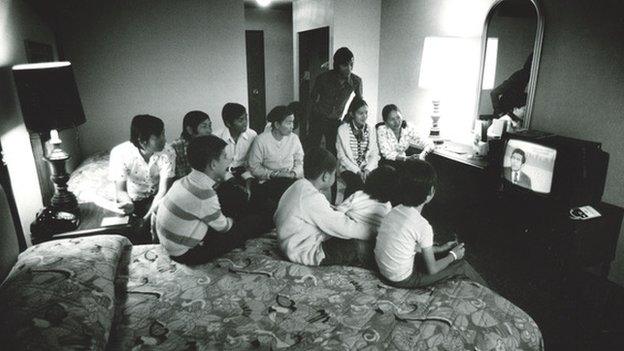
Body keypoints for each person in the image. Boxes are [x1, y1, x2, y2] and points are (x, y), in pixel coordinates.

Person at [154, 135, 271, 265]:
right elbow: (225, 228)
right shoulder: (204, 194)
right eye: (225, 156)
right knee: (250, 224)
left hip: (171, 243)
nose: (229, 159)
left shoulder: (183, 182)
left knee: (228, 197)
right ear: (213, 165)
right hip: (187, 254)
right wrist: (236, 218)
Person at [375, 160, 487, 288]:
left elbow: (411, 246)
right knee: (461, 265)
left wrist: (441, 249)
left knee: (437, 253)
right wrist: (454, 255)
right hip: (401, 280)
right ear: (431, 192)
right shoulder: (423, 226)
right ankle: (496, 297)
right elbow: (432, 270)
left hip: (384, 271)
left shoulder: (393, 210)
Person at [274, 148, 375, 268]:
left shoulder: (298, 185)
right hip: (304, 252)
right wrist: (374, 232)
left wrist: (332, 210)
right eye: (334, 175)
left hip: (288, 243)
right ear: (326, 176)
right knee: (358, 246)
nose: (335, 178)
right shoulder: (312, 197)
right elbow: (343, 226)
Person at [109, 114, 175, 219]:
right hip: (134, 199)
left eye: (163, 133)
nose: (164, 139)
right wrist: (127, 202)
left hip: (159, 198)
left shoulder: (168, 152)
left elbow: (164, 190)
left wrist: (146, 220)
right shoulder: (120, 153)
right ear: (142, 141)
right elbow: (121, 190)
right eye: (158, 136)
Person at [308, 47, 362, 155]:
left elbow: (359, 102)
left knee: (333, 151)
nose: (349, 69)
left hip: (335, 121)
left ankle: (331, 172)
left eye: (351, 64)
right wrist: (312, 117)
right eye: (345, 65)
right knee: (313, 148)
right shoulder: (323, 78)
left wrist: (347, 117)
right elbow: (312, 98)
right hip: (318, 117)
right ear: (337, 65)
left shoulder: (356, 81)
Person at [248, 105, 304, 210]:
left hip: (291, 179)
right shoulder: (261, 140)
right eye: (288, 122)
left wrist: (293, 173)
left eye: (293, 122)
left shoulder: (294, 139)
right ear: (277, 124)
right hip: (269, 181)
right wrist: (274, 174)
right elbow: (254, 167)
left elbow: (299, 161)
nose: (292, 126)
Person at [335, 97, 380, 199]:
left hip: (367, 167)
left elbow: (374, 154)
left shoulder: (371, 129)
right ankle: (347, 208)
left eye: (366, 113)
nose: (364, 116)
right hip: (348, 168)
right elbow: (342, 157)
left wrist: (367, 169)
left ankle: (367, 209)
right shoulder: (343, 130)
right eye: (360, 113)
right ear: (352, 114)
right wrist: (358, 171)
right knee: (356, 183)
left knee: (376, 183)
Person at [335, 165, 395, 235]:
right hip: (369, 238)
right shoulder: (388, 206)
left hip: (348, 232)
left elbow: (339, 211)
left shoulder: (359, 195)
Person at [377, 104, 433, 168]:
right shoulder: (382, 129)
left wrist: (422, 155)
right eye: (392, 119)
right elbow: (387, 154)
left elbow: (429, 143)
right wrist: (407, 158)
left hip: (404, 162)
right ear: (386, 122)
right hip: (387, 164)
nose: (396, 122)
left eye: (398, 117)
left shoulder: (408, 127)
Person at [490, 53, 533, 125]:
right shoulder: (519, 76)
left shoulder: (532, 78)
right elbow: (494, 93)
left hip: (513, 117)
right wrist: (500, 113)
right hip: (503, 116)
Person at [170, 110, 212, 179]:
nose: (209, 130)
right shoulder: (176, 147)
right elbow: (182, 178)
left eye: (210, 126)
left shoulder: (211, 141)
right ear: (190, 130)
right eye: (204, 126)